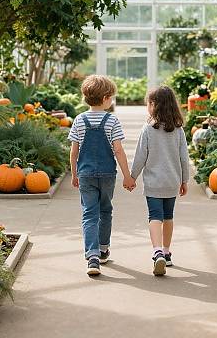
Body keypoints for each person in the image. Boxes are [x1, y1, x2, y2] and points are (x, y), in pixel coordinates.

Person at [69, 75, 136, 276]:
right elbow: (118, 150)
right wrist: (127, 176)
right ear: (106, 98)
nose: (112, 101)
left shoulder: (79, 120)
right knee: (105, 211)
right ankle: (103, 248)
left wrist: (74, 174)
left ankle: (92, 257)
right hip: (107, 174)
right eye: (112, 98)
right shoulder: (112, 120)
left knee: (89, 213)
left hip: (86, 174)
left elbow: (74, 151)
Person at [130, 85, 190, 276]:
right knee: (168, 216)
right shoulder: (178, 130)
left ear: (154, 105)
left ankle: (157, 252)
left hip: (154, 183)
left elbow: (140, 156)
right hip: (172, 181)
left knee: (154, 216)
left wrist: (132, 177)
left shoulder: (148, 129)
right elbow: (184, 158)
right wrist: (184, 180)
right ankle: (167, 252)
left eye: (148, 103)